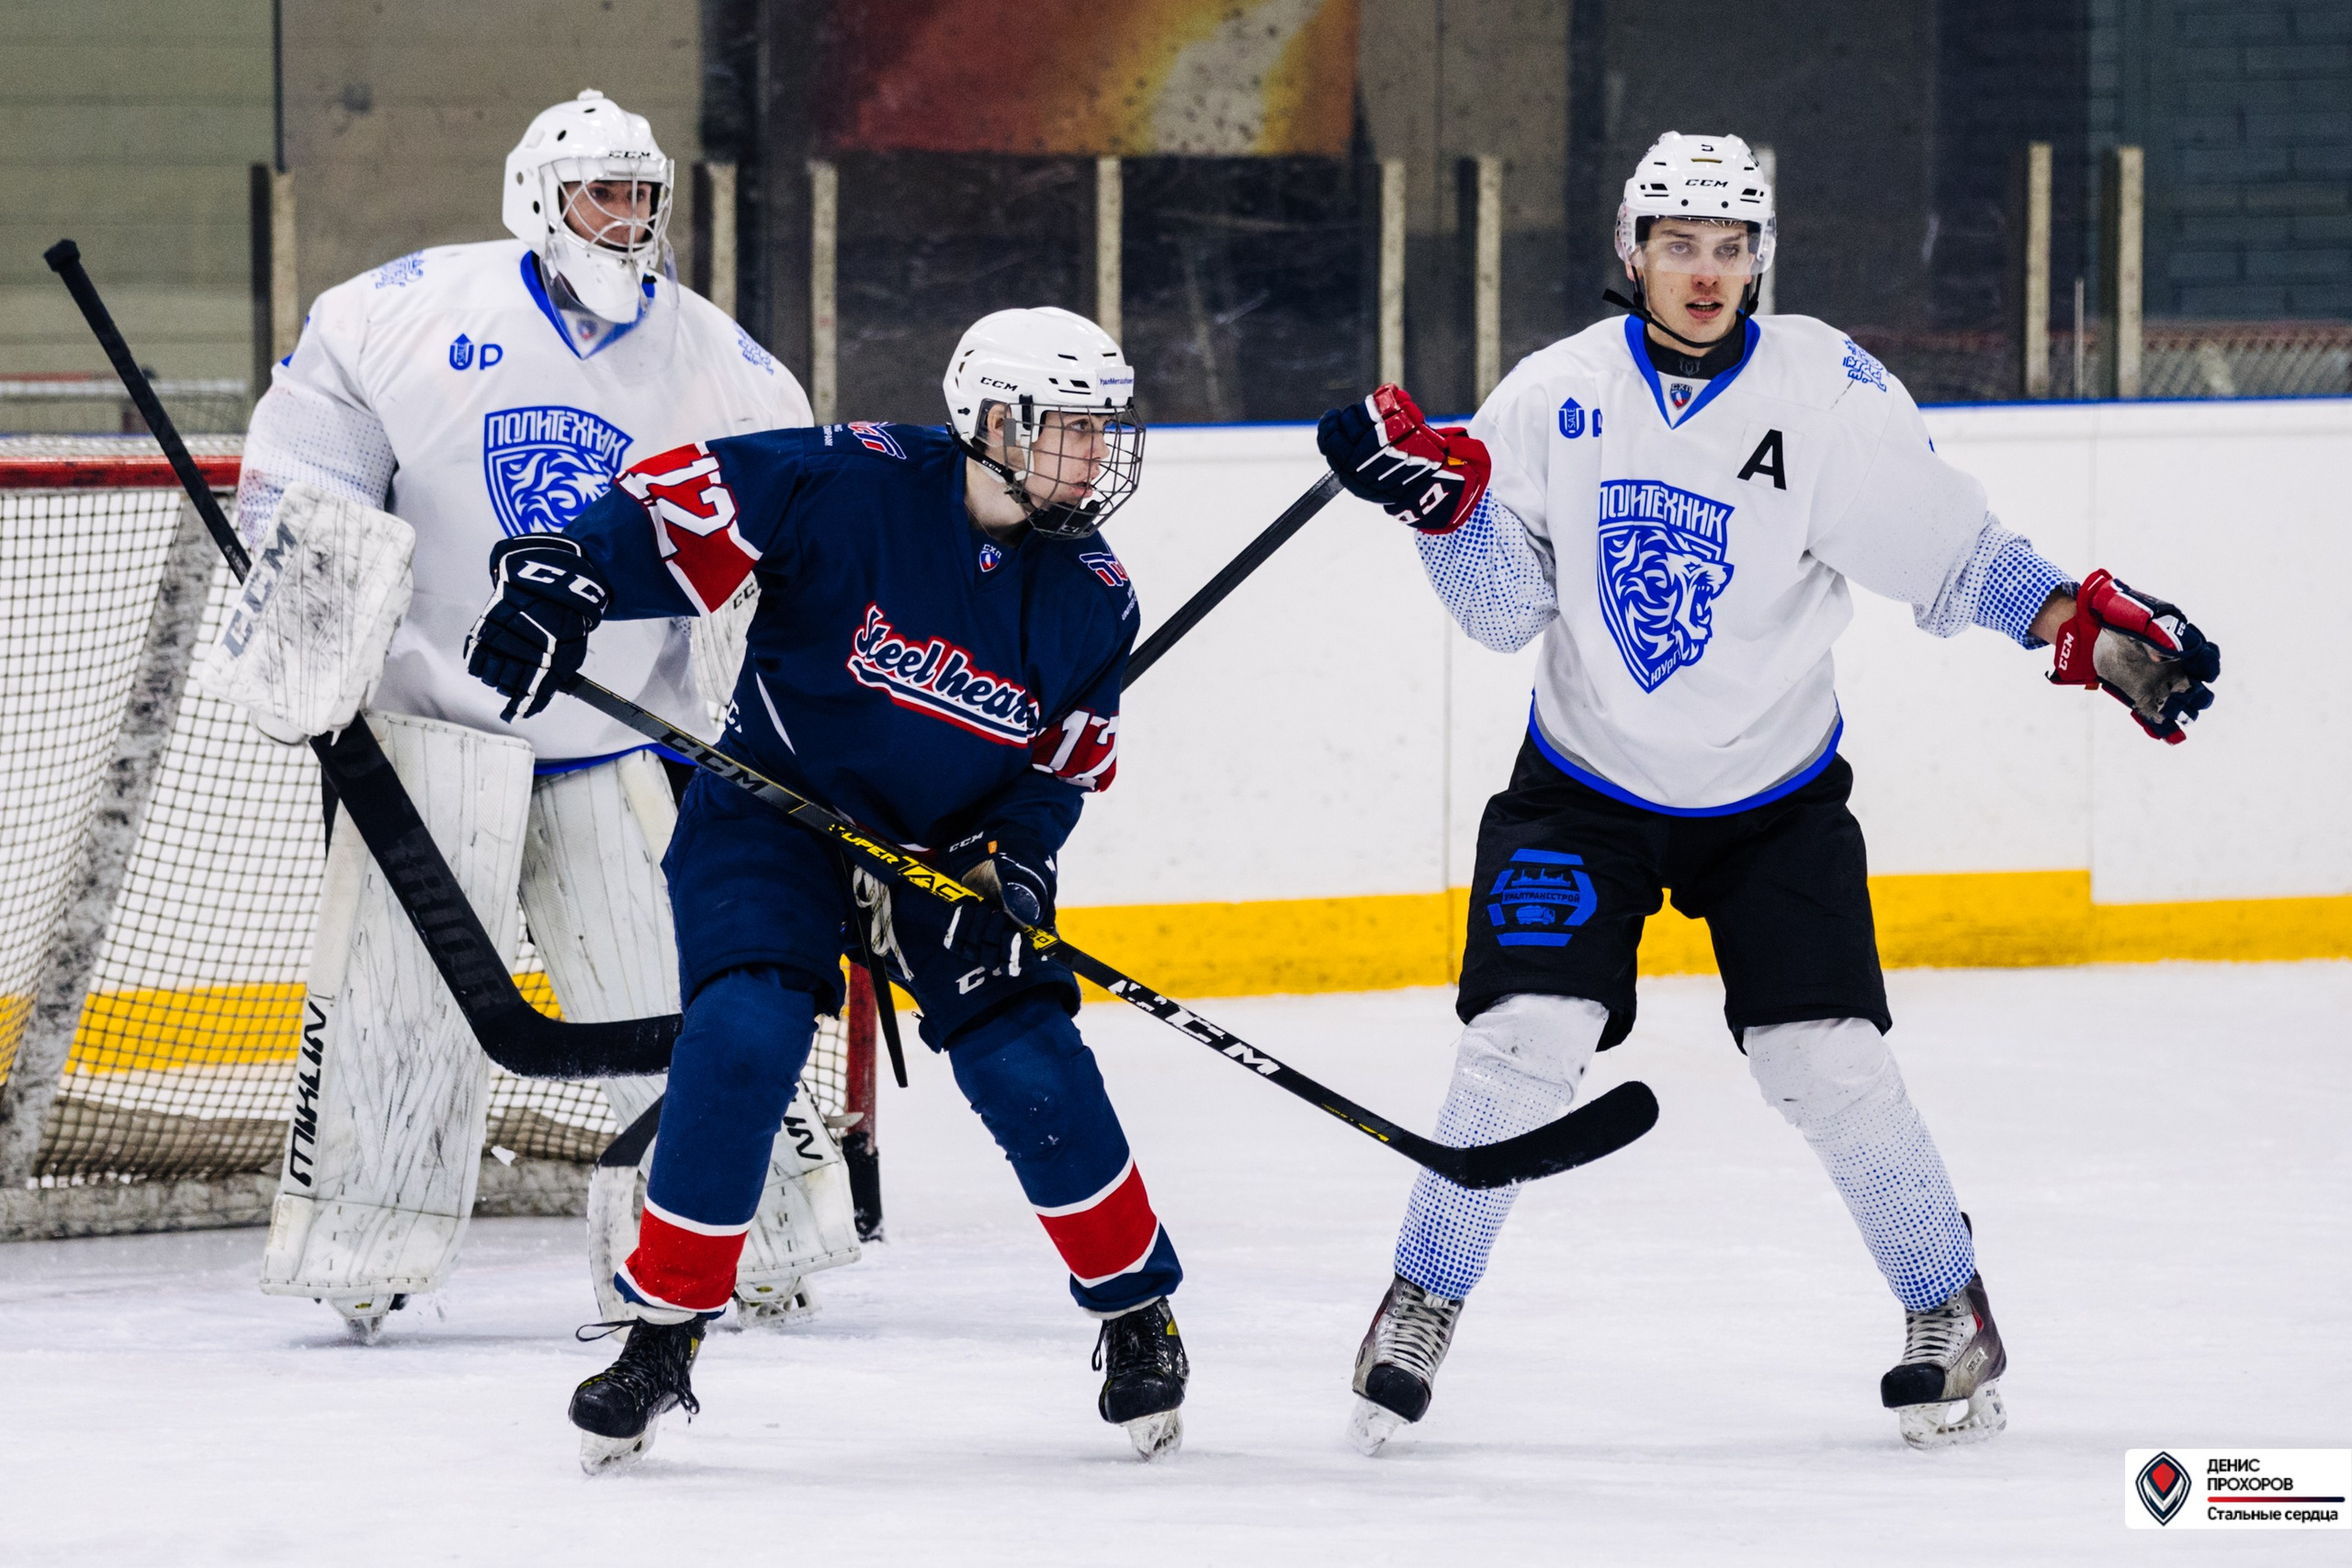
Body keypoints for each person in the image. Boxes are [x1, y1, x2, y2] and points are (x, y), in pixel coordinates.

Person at [1314, 131, 2219, 1453]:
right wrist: (1441, 515)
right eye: (1679, 244)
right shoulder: (1556, 393)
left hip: (1773, 798)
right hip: (1585, 789)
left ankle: (1947, 1307)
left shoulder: (1824, 390)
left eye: (1730, 247)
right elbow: (1508, 615)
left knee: (1824, 1060)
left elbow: (1952, 554)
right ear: (1632, 253)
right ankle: (1421, 1301)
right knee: (1521, 1040)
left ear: (1760, 258)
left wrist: (2082, 626)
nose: (1705, 271)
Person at [465, 305, 1192, 1472]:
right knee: (742, 1033)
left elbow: (1054, 776)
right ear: (995, 422)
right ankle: (661, 1337)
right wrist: (565, 581)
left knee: (1026, 1057)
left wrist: (1011, 858)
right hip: (775, 808)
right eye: (1073, 427)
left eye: (1106, 428)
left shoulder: (1095, 598)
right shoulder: (852, 481)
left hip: (944, 853)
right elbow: (674, 508)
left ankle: (1136, 1310)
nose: (1099, 454)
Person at [236, 89, 837, 1341]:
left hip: (618, 744)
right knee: (392, 1005)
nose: (626, 218)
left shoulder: (724, 365)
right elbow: (304, 469)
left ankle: (756, 1237)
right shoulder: (398, 313)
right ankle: (361, 1247)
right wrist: (313, 604)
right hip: (425, 743)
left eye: (642, 195)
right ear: (537, 196)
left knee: (687, 995)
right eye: (599, 194)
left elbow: (800, 542)